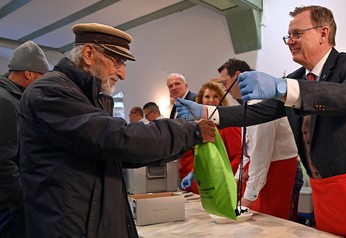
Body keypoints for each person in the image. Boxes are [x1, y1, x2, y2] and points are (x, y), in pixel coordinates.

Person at [176, 5, 346, 237]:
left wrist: (282, 86)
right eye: (288, 36)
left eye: (297, 34)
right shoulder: (295, 79)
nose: (290, 41)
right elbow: (258, 113)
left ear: (324, 33)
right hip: (325, 189)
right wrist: (207, 113)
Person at [18, 23, 216, 238]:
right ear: (88, 53)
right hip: (70, 225)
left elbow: (120, 155)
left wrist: (185, 142)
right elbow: (117, 138)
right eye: (118, 62)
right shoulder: (49, 91)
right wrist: (189, 132)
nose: (122, 74)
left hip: (91, 220)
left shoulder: (87, 96)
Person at [219, 58, 301, 220]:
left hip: (276, 172)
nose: (224, 88)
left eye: (225, 82)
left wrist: (245, 201)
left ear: (238, 76)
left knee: (272, 227)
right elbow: (247, 151)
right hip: (262, 172)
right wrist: (235, 183)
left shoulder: (260, 102)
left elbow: (260, 155)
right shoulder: (248, 103)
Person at [0, 41, 49, 238]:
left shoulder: (14, 98)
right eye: (42, 77)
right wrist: (22, 198)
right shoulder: (5, 101)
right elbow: (2, 161)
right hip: (9, 206)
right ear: (29, 74)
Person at [180, 81, 242, 194]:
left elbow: (237, 156)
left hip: (224, 184)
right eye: (207, 96)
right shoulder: (198, 125)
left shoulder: (228, 123)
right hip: (205, 184)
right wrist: (194, 174)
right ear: (201, 101)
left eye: (215, 96)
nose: (211, 100)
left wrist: (224, 177)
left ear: (221, 100)